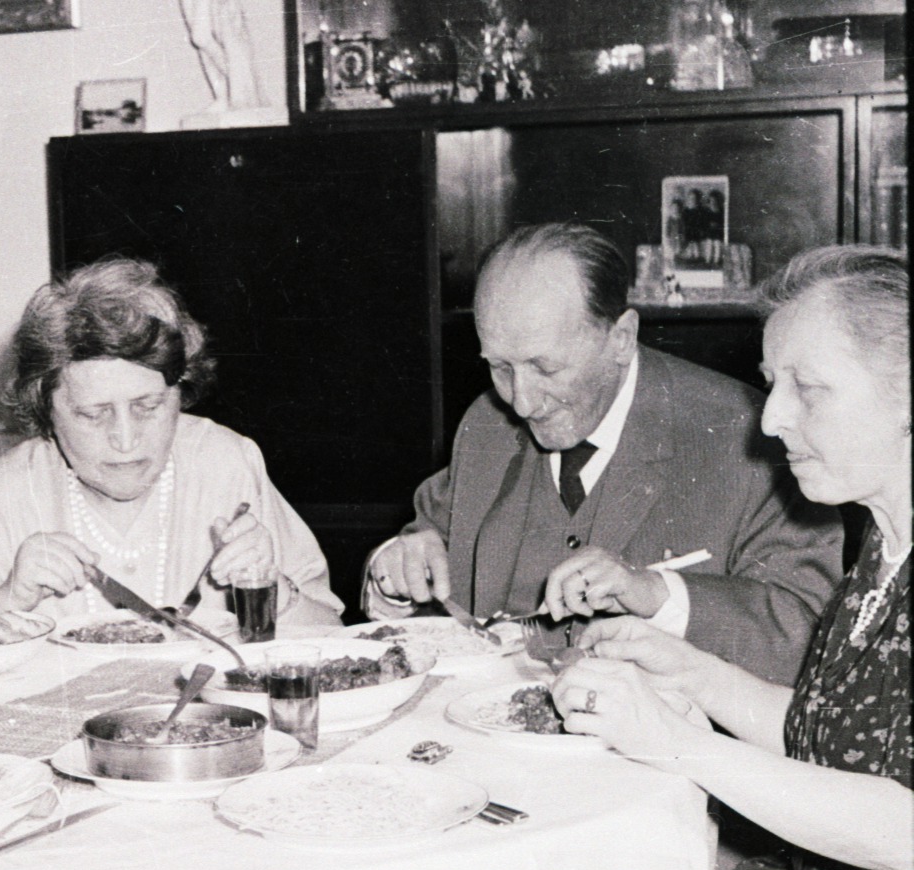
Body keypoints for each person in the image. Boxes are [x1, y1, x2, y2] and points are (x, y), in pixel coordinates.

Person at [549, 246, 911, 870]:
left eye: (806, 388)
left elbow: (906, 825)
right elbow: (831, 738)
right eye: (772, 383)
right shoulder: (882, 552)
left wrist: (680, 742)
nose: (771, 418)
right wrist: (689, 669)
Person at [360, 222, 842, 684]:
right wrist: (393, 575)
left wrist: (660, 594)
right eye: (500, 367)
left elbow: (809, 634)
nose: (522, 401)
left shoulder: (752, 438)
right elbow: (424, 543)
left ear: (621, 338)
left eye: (545, 368)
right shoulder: (487, 425)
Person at [0, 257, 344, 627]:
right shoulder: (7, 490)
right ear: (46, 412)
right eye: (93, 413)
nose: (125, 440)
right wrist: (7, 598)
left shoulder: (228, 463)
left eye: (148, 406)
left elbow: (333, 632)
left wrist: (275, 590)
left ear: (180, 392)